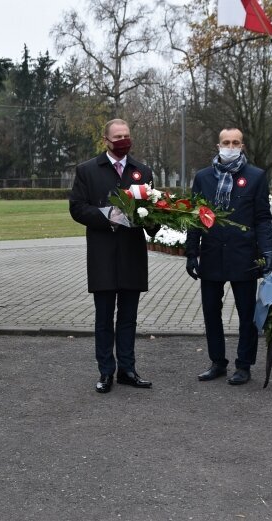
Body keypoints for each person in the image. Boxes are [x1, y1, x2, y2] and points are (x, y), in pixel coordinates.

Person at [69, 118, 159, 394]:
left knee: (129, 318)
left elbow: (153, 211)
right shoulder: (87, 170)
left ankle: (127, 370)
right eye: (118, 137)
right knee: (104, 317)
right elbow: (77, 208)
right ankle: (105, 372)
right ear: (106, 140)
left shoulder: (141, 171)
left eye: (127, 136)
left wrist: (155, 217)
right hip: (102, 255)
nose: (123, 141)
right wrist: (108, 216)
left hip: (132, 255)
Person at [184, 128, 272, 386]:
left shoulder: (256, 177)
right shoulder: (203, 177)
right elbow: (195, 217)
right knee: (211, 311)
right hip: (211, 255)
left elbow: (262, 218)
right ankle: (217, 362)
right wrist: (192, 253)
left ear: (242, 145)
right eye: (226, 142)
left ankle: (244, 365)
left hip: (243, 256)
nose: (230, 146)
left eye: (235, 143)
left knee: (247, 314)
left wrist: (267, 251)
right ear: (218, 145)